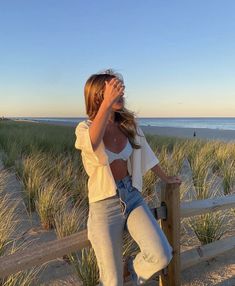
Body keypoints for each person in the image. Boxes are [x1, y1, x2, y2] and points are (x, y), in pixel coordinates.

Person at [75, 70, 182, 286]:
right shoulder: (85, 129)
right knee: (111, 281)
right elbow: (93, 145)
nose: (121, 93)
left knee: (162, 254)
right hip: (104, 205)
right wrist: (107, 103)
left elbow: (147, 153)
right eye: (114, 89)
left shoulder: (128, 124)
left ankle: (131, 269)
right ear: (99, 95)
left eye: (121, 88)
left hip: (132, 196)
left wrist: (165, 177)